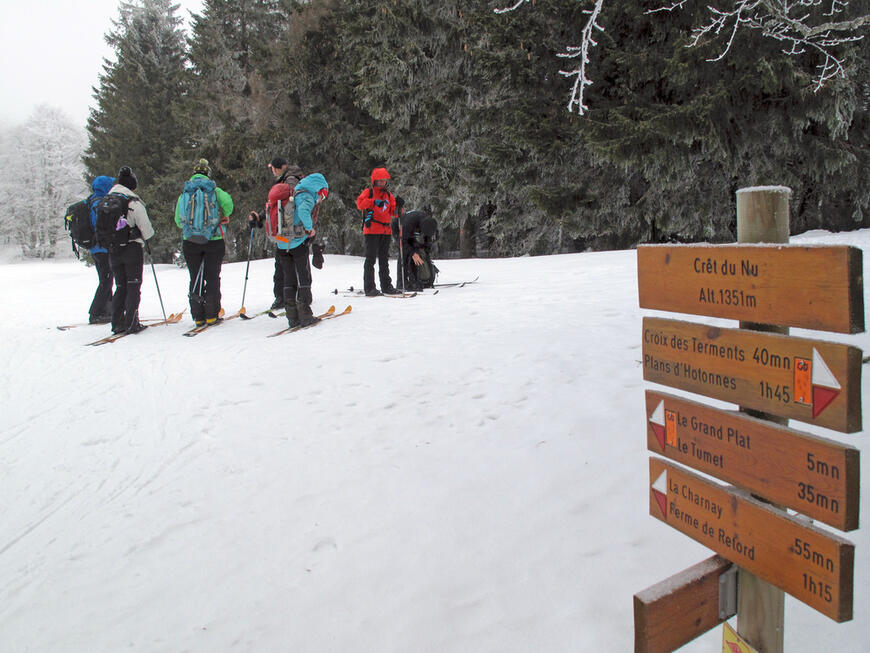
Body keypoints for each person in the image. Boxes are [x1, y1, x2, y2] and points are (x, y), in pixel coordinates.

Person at [174, 158, 234, 326]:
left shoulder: (185, 194)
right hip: (213, 239)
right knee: (212, 277)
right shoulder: (215, 190)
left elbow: (178, 221)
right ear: (208, 174)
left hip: (190, 241)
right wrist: (224, 216)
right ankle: (211, 314)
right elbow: (229, 204)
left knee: (195, 277)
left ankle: (198, 316)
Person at [248, 157, 305, 311]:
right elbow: (275, 206)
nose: (272, 171)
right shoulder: (287, 179)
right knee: (289, 265)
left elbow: (287, 205)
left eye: (274, 168)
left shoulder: (290, 180)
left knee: (285, 264)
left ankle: (289, 298)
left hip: (289, 231)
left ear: (282, 167)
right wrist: (261, 216)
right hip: (288, 231)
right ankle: (292, 297)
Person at [104, 166, 154, 335]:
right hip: (132, 248)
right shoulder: (133, 202)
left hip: (113, 249)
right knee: (133, 286)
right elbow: (147, 231)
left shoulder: (107, 200)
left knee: (120, 285)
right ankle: (132, 322)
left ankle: (117, 322)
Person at [356, 167, 396, 296]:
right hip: (372, 230)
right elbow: (360, 204)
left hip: (386, 231)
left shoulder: (389, 195)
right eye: (379, 181)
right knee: (371, 259)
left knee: (384, 260)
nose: (382, 183)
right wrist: (373, 202)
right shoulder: (369, 192)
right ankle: (370, 288)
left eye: (384, 181)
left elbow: (394, 212)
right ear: (374, 181)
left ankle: (386, 286)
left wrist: (399, 208)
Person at [85, 175, 116, 323]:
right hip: (102, 248)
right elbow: (100, 225)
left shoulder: (91, 200)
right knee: (107, 280)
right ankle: (96, 312)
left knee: (106, 279)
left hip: (95, 248)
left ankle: (106, 310)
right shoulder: (99, 203)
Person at [391, 209, 439, 290]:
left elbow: (428, 240)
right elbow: (403, 242)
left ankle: (420, 280)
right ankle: (401, 283)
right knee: (404, 253)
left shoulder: (430, 223)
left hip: (411, 231)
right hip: (399, 228)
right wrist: (413, 253)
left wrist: (425, 251)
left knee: (418, 251)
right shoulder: (409, 223)